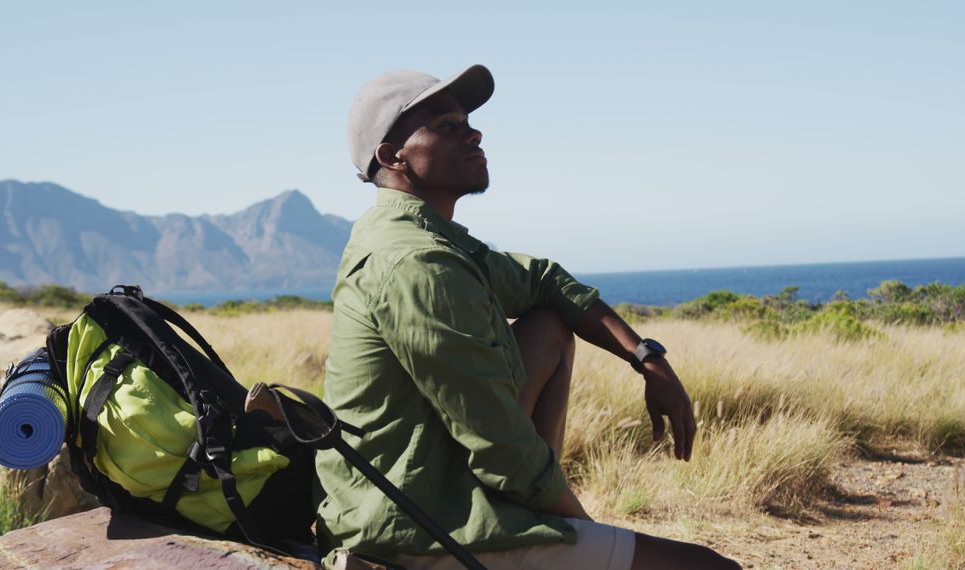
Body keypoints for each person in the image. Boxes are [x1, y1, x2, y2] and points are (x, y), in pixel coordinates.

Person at [315, 64, 741, 570]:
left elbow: (544, 281)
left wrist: (645, 358)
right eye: (447, 127)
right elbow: (498, 442)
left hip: (434, 494)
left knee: (549, 324)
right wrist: (580, 525)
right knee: (711, 568)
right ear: (392, 156)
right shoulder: (415, 263)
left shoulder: (432, 242)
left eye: (468, 122)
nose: (473, 132)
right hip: (417, 526)